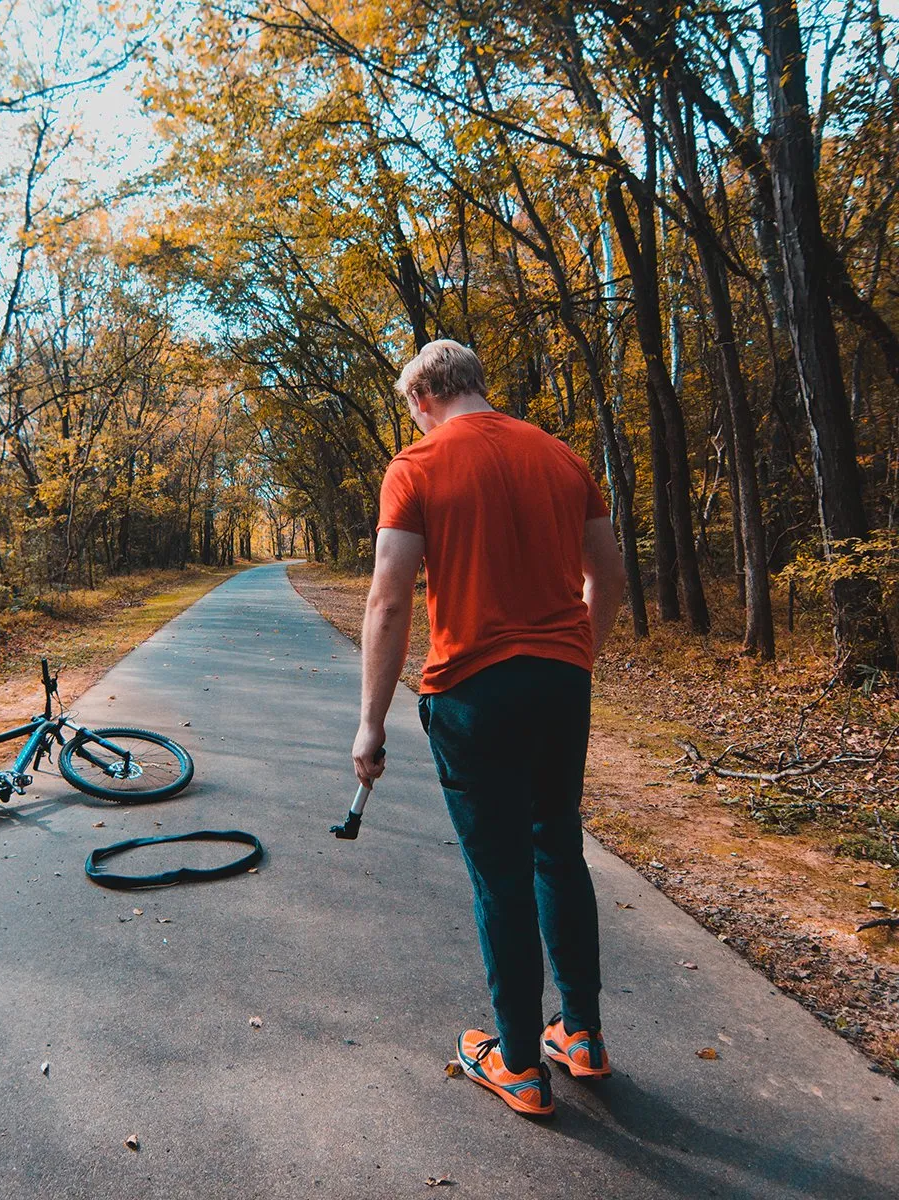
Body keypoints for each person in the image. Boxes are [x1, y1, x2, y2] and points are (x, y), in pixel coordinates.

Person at [352, 339, 627, 1119]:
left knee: (500, 878)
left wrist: (370, 724)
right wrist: (578, 656)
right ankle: (582, 1037)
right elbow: (606, 574)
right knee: (558, 851)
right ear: (477, 384)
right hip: (560, 686)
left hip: (474, 693)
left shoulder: (417, 465)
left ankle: (518, 1066)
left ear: (422, 399)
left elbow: (389, 600)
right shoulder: (562, 458)